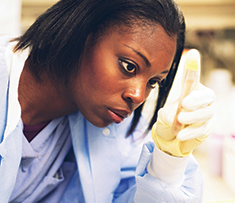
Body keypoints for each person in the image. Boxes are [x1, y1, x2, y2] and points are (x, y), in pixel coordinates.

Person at [0, 0, 215, 202]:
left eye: (153, 82)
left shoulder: (112, 130)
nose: (138, 96)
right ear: (82, 33)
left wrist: (169, 162)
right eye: (129, 66)